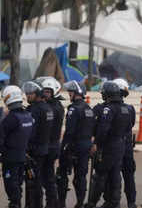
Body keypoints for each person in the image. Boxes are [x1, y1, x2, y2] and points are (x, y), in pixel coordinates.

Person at [85, 81, 133, 208]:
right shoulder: (125, 109)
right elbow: (129, 127)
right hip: (120, 144)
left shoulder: (108, 109)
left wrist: (96, 143)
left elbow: (103, 129)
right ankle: (114, 202)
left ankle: (91, 203)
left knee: (100, 175)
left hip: (108, 145)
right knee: (115, 174)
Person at [59, 80, 95, 208]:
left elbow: (69, 131)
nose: (69, 94)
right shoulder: (89, 109)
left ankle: (61, 203)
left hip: (74, 146)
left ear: (76, 93)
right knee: (81, 176)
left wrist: (63, 147)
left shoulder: (73, 109)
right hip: (86, 146)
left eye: (70, 92)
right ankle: (80, 203)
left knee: (61, 174)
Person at [22, 81, 55, 208]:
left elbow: (31, 132)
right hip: (45, 148)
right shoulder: (47, 107)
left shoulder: (35, 110)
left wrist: (26, 148)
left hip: (34, 151)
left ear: (37, 94)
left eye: (30, 94)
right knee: (43, 180)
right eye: (27, 94)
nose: (27, 96)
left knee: (33, 182)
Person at [0, 86, 34, 208]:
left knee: (11, 185)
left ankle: (15, 204)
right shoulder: (28, 115)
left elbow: (1, 138)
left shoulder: (10, 119)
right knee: (18, 184)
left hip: (10, 158)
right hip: (22, 156)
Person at [40, 77, 65, 208]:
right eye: (44, 91)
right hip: (52, 145)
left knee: (47, 177)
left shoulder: (52, 107)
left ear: (54, 92)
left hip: (50, 145)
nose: (45, 94)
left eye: (48, 92)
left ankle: (52, 203)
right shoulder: (57, 106)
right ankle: (53, 202)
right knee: (48, 176)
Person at [113, 78, 137, 208]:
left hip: (116, 146)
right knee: (128, 175)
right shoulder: (130, 108)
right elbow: (131, 124)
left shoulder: (110, 108)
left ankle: (115, 201)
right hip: (127, 145)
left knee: (115, 174)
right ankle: (131, 202)